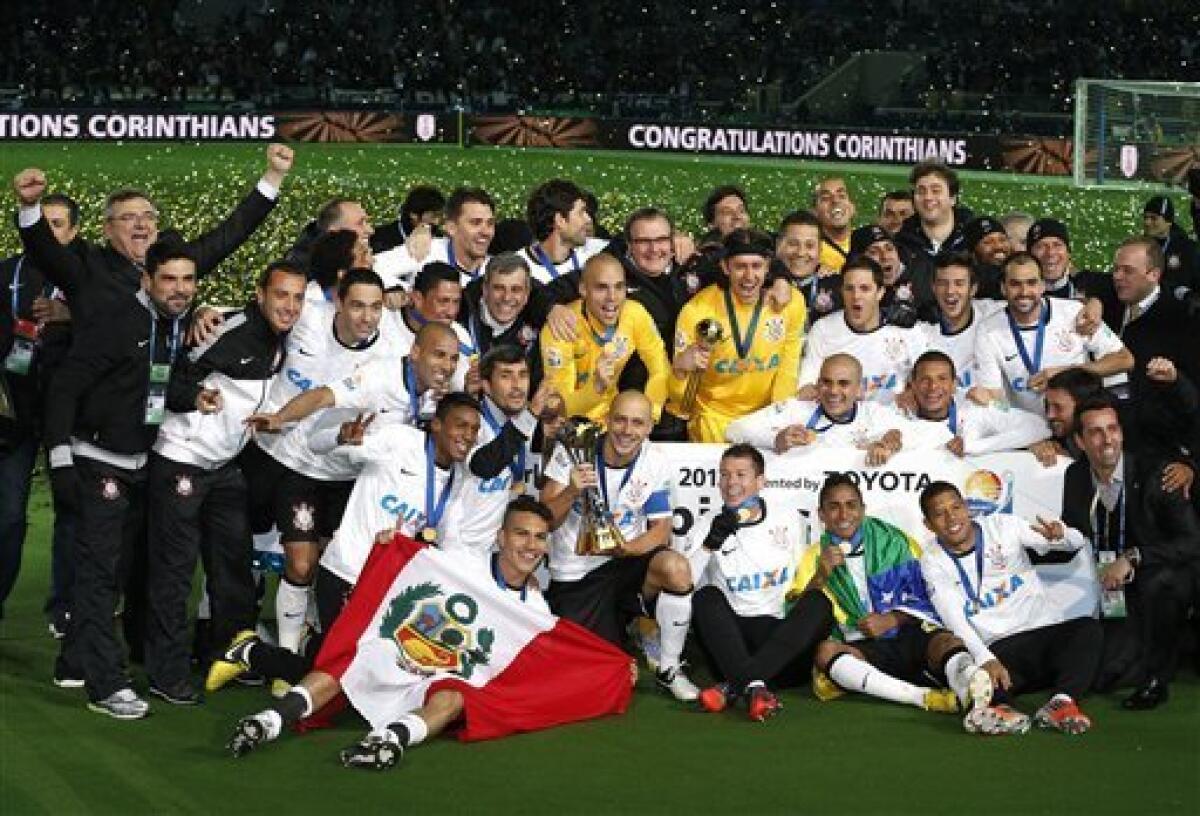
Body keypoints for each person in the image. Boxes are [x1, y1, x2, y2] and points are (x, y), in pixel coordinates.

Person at [224, 497, 612, 770]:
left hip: (436, 677)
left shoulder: (534, 611)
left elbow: (551, 667)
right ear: (500, 537)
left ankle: (390, 740)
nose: (530, 546)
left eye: (540, 537)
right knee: (349, 660)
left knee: (456, 698)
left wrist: (609, 670)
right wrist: (388, 549)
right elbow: (407, 567)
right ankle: (268, 720)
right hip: (400, 651)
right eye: (521, 534)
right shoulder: (459, 563)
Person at [209, 393, 482, 693]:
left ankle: (280, 648)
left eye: (473, 429)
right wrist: (340, 437)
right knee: (346, 676)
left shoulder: (459, 479)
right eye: (461, 426)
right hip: (346, 573)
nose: (467, 436)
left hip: (385, 587)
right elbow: (321, 446)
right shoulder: (400, 441)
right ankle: (252, 653)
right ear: (437, 425)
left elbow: (450, 540)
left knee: (354, 674)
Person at [44, 237, 199, 718]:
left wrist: (190, 397)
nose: (180, 289)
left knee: (118, 570)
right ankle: (106, 684)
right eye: (169, 279)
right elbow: (65, 386)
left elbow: (143, 383)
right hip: (97, 461)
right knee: (99, 575)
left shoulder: (170, 326)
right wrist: (61, 458)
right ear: (146, 280)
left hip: (138, 464)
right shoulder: (113, 322)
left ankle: (73, 662)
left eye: (188, 280)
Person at [144, 261, 307, 703]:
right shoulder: (223, 329)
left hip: (223, 467)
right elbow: (167, 378)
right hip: (181, 459)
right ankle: (166, 673)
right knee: (175, 573)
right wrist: (194, 398)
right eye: (281, 295)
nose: (289, 306)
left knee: (234, 569)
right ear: (259, 294)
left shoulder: (284, 333)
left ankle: (231, 658)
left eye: (297, 297)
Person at [13, 144, 293, 329]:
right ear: (107, 229)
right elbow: (46, 254)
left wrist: (274, 175)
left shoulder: (175, 261)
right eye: (128, 217)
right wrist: (29, 207)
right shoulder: (90, 265)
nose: (141, 224)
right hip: (109, 404)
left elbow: (231, 233)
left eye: (148, 217)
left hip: (168, 401)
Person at [540, 390, 699, 701]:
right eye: (621, 420)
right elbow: (545, 520)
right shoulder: (573, 452)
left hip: (625, 561)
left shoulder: (654, 460)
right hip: (577, 573)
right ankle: (631, 629)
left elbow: (661, 530)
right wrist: (572, 491)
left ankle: (669, 669)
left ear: (650, 427)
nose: (628, 431)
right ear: (607, 420)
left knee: (677, 569)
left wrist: (627, 549)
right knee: (587, 675)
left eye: (637, 423)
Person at [797, 475, 991, 723]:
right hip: (863, 648)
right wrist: (821, 576)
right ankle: (923, 697)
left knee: (947, 641)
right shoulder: (813, 556)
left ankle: (972, 688)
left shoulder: (894, 541)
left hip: (908, 633)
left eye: (851, 505)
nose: (843, 514)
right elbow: (799, 618)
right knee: (826, 652)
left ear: (863, 509)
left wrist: (892, 619)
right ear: (821, 515)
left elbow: (928, 595)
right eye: (833, 507)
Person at [919, 482, 1103, 735]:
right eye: (940, 513)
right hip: (1000, 650)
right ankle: (1002, 708)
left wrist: (1062, 535)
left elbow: (1076, 542)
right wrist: (987, 659)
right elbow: (954, 620)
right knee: (977, 673)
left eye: (956, 507)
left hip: (1042, 634)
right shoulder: (932, 560)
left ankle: (1061, 702)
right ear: (928, 524)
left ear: (967, 508)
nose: (952, 518)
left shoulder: (1003, 527)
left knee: (1087, 629)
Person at [1061, 396, 1199, 709]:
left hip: (1165, 573)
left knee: (1160, 583)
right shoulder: (1076, 477)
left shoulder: (1159, 474)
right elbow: (1077, 532)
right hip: (1114, 588)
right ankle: (1172, 646)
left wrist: (1134, 557)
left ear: (1122, 432)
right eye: (1095, 432)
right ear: (1080, 442)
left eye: (1112, 428)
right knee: (1104, 677)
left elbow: (1192, 542)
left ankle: (1157, 679)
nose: (1107, 439)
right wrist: (1059, 537)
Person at [692, 445, 835, 721]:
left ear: (761, 481)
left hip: (782, 649)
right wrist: (710, 544)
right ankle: (754, 686)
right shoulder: (707, 523)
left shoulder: (790, 519)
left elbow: (804, 579)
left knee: (819, 602)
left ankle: (738, 686)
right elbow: (684, 584)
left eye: (740, 474)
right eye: (724, 475)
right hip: (731, 650)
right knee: (705, 596)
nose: (731, 483)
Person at [1, 192, 79, 631]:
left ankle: (63, 607)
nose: (46, 232)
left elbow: (112, 320)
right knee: (9, 515)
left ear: (72, 233)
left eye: (57, 224)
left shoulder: (83, 277)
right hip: (13, 413)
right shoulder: (6, 272)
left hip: (64, 417)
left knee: (70, 509)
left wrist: (69, 314)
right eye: (40, 221)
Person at [669, 229, 806, 442]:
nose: (749, 277)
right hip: (714, 420)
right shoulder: (696, 312)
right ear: (725, 267)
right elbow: (682, 401)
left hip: (765, 418)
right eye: (740, 266)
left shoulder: (789, 303)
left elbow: (788, 367)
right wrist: (679, 370)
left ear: (768, 266)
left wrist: (780, 419)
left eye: (757, 266)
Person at [971, 252, 1133, 417]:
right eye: (1015, 284)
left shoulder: (1073, 312)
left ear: (1042, 286)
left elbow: (1124, 359)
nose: (1024, 291)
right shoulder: (988, 331)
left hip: (1079, 422)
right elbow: (994, 399)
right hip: (1030, 428)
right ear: (1003, 288)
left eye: (1031, 283)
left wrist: (1070, 372)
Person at [727, 353, 932, 465]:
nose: (833, 391)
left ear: (859, 388)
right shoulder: (795, 410)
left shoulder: (876, 414)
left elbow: (928, 436)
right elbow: (734, 429)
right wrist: (776, 440)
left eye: (843, 384)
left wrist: (893, 441)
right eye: (827, 382)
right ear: (817, 384)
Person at [540, 254, 669, 424]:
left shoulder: (635, 313)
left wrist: (649, 415)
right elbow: (560, 405)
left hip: (615, 421)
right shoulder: (561, 326)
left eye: (619, 287)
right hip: (572, 426)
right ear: (583, 290)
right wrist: (596, 387)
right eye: (602, 288)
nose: (612, 297)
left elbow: (661, 369)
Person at [799, 256, 927, 405]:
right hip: (840, 422)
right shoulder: (823, 330)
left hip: (894, 420)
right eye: (849, 288)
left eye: (864, 289)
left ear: (880, 293)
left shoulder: (907, 332)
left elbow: (927, 381)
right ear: (841, 291)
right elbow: (805, 389)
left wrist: (911, 394)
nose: (856, 296)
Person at [906, 351, 1050, 456]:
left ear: (954, 384)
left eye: (942, 378)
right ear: (913, 384)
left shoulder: (975, 406)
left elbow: (1039, 426)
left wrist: (971, 447)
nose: (933, 387)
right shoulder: (900, 412)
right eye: (925, 379)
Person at [375, 186, 496, 289]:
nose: (485, 231)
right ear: (451, 228)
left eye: (490, 223)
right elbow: (372, 268)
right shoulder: (425, 250)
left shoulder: (497, 264)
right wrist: (399, 290)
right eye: (475, 223)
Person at [916, 253, 1004, 390]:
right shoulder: (921, 332)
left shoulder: (995, 313)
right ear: (933, 288)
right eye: (943, 283)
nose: (950, 291)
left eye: (959, 283)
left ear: (973, 289)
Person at [894, 163, 971, 280]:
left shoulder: (974, 237)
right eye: (921, 191)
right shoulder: (901, 242)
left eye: (936, 191)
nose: (928, 197)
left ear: (953, 198)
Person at [518, 179, 602, 284]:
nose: (588, 219)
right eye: (581, 212)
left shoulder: (591, 262)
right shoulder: (518, 269)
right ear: (560, 220)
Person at [774, 211, 842, 324]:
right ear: (778, 245)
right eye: (793, 244)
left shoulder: (838, 287)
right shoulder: (763, 285)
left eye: (810, 245)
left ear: (820, 250)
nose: (801, 253)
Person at [1140, 195, 1199, 302]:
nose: (1147, 223)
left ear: (1169, 222)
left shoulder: (1187, 248)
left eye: (1154, 218)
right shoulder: (1140, 246)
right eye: (1145, 217)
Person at [370, 184, 445, 254]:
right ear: (413, 215)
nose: (437, 222)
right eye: (433, 216)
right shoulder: (380, 241)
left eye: (439, 216)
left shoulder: (438, 236)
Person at [813, 177, 856, 272]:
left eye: (842, 196)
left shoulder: (869, 245)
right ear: (815, 212)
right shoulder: (810, 253)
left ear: (852, 207)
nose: (835, 201)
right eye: (826, 198)